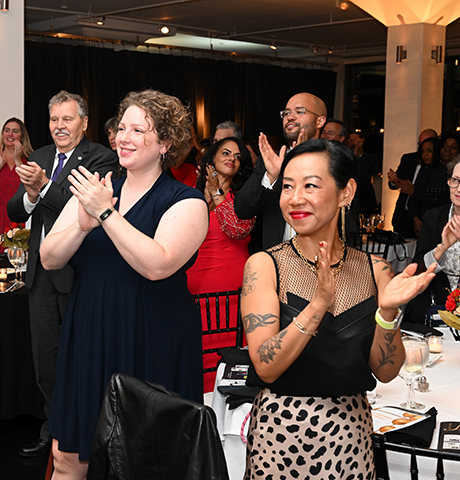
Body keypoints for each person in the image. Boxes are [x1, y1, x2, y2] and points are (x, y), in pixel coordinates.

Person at [241, 139, 436, 479]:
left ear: (346, 193)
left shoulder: (376, 270)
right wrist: (318, 305)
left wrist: (387, 314)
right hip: (280, 434)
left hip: (350, 436)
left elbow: (386, 372)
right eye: (287, 186)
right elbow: (265, 367)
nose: (295, 198)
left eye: (310, 186)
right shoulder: (265, 265)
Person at [40, 89, 208, 479]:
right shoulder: (95, 188)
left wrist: (104, 213)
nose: (123, 138)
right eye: (121, 128)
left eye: (138, 130)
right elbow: (49, 258)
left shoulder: (187, 201)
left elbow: (157, 265)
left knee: (144, 463)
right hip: (90, 335)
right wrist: (82, 227)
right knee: (67, 458)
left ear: (165, 143)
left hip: (151, 339)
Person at [7, 91, 117, 459]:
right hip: (40, 276)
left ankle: (85, 432)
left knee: (82, 358)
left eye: (67, 119)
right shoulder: (39, 157)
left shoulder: (101, 158)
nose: (59, 126)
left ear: (84, 123)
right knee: (46, 361)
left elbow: (82, 206)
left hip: (80, 273)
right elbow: (14, 210)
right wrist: (29, 194)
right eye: (54, 119)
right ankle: (52, 429)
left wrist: (43, 186)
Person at [186, 137, 255, 392]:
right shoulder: (190, 194)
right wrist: (205, 199)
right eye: (225, 153)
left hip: (233, 287)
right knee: (199, 350)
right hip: (196, 285)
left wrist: (217, 193)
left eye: (237, 156)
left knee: (232, 352)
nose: (231, 159)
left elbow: (236, 229)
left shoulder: (245, 197)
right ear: (211, 158)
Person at [235, 92, 327, 249]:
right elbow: (242, 210)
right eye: (286, 113)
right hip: (276, 258)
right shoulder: (272, 160)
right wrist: (271, 176)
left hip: (320, 258)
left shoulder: (332, 161)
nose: (290, 117)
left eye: (299, 111)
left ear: (320, 121)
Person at [405, 158, 460, 323]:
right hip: (436, 308)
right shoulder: (433, 218)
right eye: (455, 180)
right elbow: (417, 270)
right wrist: (441, 248)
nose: (458, 188)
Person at [388, 128, 438, 238]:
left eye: (428, 148)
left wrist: (414, 192)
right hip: (403, 217)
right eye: (420, 145)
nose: (424, 152)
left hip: (424, 219)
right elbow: (396, 182)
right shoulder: (408, 159)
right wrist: (395, 181)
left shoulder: (438, 168)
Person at [408, 137, 448, 237]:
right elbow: (415, 200)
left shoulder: (448, 172)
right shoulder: (425, 172)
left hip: (442, 225)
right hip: (422, 223)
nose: (425, 154)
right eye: (423, 151)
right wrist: (416, 219)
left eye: (429, 151)